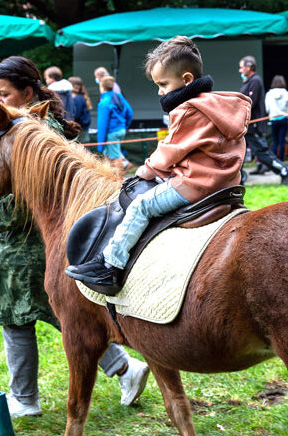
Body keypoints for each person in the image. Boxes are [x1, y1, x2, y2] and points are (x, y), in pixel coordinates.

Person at [0, 56, 148, 419]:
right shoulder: (37, 123)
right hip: (51, 240)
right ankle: (125, 368)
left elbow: (21, 203)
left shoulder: (31, 131)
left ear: (27, 92)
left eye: (4, 94)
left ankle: (24, 397)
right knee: (67, 315)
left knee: (17, 318)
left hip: (30, 245)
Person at [65, 36, 251, 294]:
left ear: (187, 80)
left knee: (141, 205)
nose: (160, 92)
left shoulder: (187, 109)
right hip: (225, 182)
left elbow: (170, 149)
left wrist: (147, 169)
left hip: (195, 183)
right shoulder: (220, 107)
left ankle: (110, 264)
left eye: (163, 84)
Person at [238, 56, 288, 184]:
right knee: (239, 152)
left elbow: (250, 103)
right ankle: (238, 178)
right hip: (246, 125)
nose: (240, 70)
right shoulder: (249, 81)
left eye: (241, 67)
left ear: (249, 67)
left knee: (262, 153)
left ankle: (284, 171)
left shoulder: (255, 81)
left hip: (254, 125)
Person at [97, 76, 133, 175]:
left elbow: (102, 125)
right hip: (121, 130)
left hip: (112, 132)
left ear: (102, 88)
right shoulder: (119, 96)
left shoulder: (104, 103)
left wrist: (100, 144)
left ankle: (119, 181)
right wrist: (124, 126)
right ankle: (108, 177)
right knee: (108, 155)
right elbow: (129, 112)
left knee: (116, 156)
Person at [264, 75, 288, 161]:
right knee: (282, 140)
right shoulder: (287, 93)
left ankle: (274, 160)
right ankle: (281, 159)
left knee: (275, 140)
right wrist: (286, 115)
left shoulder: (269, 94)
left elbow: (267, 108)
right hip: (284, 119)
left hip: (273, 119)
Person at [68, 76, 92, 143]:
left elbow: (77, 115)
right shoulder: (82, 96)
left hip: (80, 130)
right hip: (84, 128)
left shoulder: (77, 99)